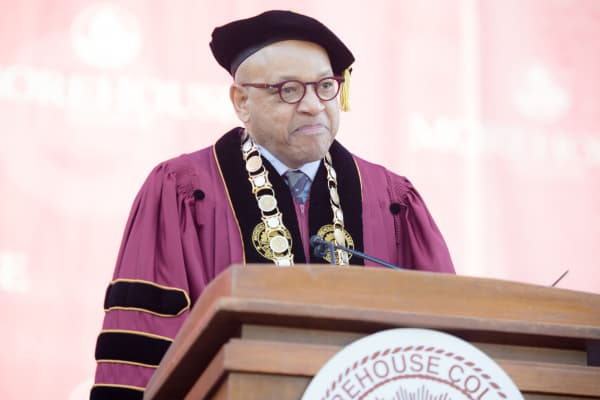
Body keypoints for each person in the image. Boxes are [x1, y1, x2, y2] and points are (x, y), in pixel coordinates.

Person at [90, 10, 454, 400]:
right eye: (289, 90)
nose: (314, 105)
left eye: (325, 86)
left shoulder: (392, 199)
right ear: (242, 101)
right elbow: (142, 346)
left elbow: (445, 338)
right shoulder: (183, 191)